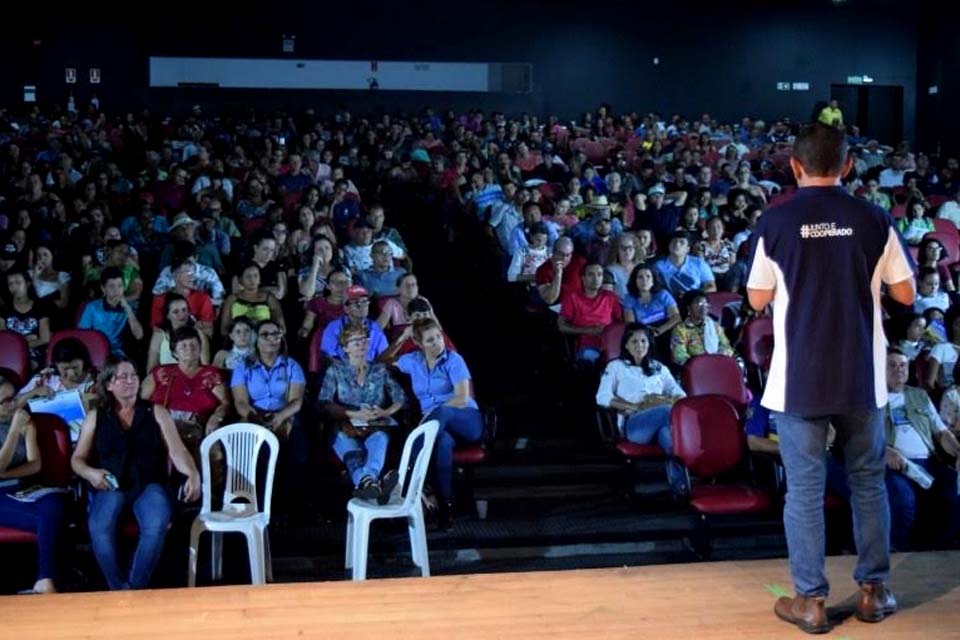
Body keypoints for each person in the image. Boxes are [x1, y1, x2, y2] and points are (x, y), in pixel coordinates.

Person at [746, 123, 915, 633]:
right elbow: (906, 294)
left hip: (799, 380)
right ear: (848, 166)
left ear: (795, 166)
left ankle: (811, 601)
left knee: (804, 490)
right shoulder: (874, 217)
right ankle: (873, 593)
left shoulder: (775, 221)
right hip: (862, 376)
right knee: (868, 483)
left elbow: (756, 298)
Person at [71, 357, 201, 590]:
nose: (130, 381)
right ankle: (117, 588)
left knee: (156, 523)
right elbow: (77, 459)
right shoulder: (95, 417)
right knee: (99, 527)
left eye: (133, 375)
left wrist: (192, 473)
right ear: (109, 384)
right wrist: (91, 473)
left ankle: (134, 589)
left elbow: (177, 450)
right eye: (123, 377)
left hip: (149, 482)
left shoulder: (156, 412)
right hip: (111, 483)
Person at [395, 318, 482, 528]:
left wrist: (430, 417)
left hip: (466, 420)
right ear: (419, 343)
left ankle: (405, 476)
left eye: (438, 337)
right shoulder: (413, 361)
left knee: (441, 412)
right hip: (436, 429)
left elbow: (462, 397)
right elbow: (383, 360)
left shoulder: (454, 360)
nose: (437, 343)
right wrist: (402, 338)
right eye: (430, 340)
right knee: (443, 443)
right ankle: (445, 509)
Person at [318, 324, 405, 501]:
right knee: (348, 446)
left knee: (379, 439)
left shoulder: (379, 369)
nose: (362, 344)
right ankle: (372, 481)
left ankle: (366, 482)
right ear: (345, 348)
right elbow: (325, 403)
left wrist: (385, 411)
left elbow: (400, 397)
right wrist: (352, 414)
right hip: (346, 424)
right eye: (356, 341)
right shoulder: (335, 370)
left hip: (375, 424)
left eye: (364, 340)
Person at [0, 378, 65, 594]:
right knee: (50, 521)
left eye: (14, 398)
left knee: (53, 504)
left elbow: (35, 464)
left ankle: (45, 579)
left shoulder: (25, 421)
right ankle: (47, 578)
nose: (13, 404)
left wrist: (6, 474)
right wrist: (13, 431)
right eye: (5, 401)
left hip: (22, 488)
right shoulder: (17, 424)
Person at [141, 326, 230, 464]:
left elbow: (225, 403)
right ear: (174, 353)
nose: (189, 349)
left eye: (194, 344)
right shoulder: (161, 372)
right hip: (164, 429)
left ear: (200, 348)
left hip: (199, 430)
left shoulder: (211, 374)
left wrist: (216, 417)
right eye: (183, 346)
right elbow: (141, 401)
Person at [596, 323, 685, 451]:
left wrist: (665, 400)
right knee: (667, 411)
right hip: (634, 423)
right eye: (634, 342)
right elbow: (602, 397)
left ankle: (678, 464)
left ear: (649, 343)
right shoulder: (616, 366)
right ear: (626, 345)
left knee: (669, 439)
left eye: (644, 341)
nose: (640, 346)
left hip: (661, 419)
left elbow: (680, 395)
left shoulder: (659, 368)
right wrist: (635, 407)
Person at [230, 319, 305, 440]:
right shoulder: (242, 368)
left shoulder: (292, 366)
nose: (271, 339)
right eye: (265, 335)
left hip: (284, 414)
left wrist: (279, 417)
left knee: (296, 439)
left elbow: (296, 401)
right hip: (254, 415)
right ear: (256, 340)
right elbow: (240, 402)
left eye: (275, 334)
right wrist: (257, 419)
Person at [558, 263, 623, 363]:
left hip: (611, 342)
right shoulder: (572, 298)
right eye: (591, 274)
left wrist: (609, 331)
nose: (596, 279)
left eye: (599, 275)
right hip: (587, 344)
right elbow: (561, 326)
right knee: (595, 361)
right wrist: (589, 330)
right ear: (583, 279)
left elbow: (621, 322)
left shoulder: (610, 297)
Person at [146, 293, 211, 373]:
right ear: (168, 315)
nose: (182, 314)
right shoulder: (159, 334)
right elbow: (151, 369)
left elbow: (205, 367)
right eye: (176, 312)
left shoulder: (199, 334)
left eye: (184, 310)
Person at [321, 285, 388, 362]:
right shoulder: (333, 327)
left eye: (364, 302)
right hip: (342, 367)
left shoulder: (375, 327)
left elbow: (384, 354)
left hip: (370, 367)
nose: (361, 306)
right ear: (346, 309)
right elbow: (328, 356)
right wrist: (346, 368)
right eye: (355, 303)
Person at [0, 270, 51, 369]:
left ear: (27, 284)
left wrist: (19, 344)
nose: (14, 287)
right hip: (10, 353)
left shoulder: (41, 307)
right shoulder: (3, 310)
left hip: (34, 355)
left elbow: (45, 338)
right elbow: (3, 338)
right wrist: (27, 339)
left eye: (18, 283)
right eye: (10, 284)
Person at [670, 290, 735, 366]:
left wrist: (716, 360)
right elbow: (680, 358)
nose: (703, 308)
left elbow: (726, 346)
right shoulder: (680, 330)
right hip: (697, 369)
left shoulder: (713, 325)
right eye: (699, 304)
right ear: (688, 308)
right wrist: (703, 364)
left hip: (718, 364)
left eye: (705, 304)